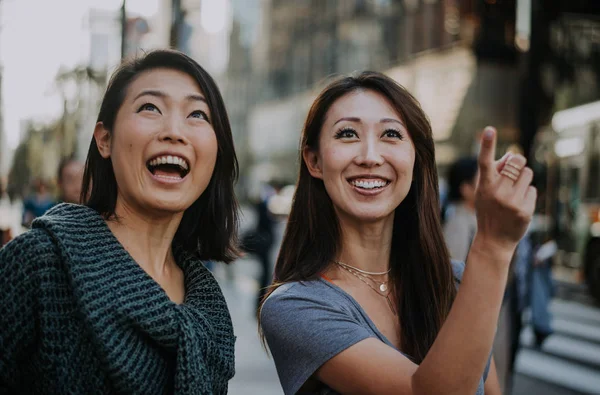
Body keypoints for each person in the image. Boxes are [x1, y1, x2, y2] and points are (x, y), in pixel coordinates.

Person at [259, 72, 536, 395]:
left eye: (391, 134)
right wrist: (493, 245)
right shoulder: (295, 306)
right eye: (347, 134)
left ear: (416, 158)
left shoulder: (456, 283)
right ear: (314, 161)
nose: (370, 157)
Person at [0, 49, 239, 394]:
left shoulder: (208, 307)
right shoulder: (37, 265)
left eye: (198, 114)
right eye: (150, 108)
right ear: (105, 139)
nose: (174, 131)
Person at [442, 156, 478, 261]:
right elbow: (454, 273)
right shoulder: (458, 223)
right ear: (466, 189)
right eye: (483, 179)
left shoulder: (473, 217)